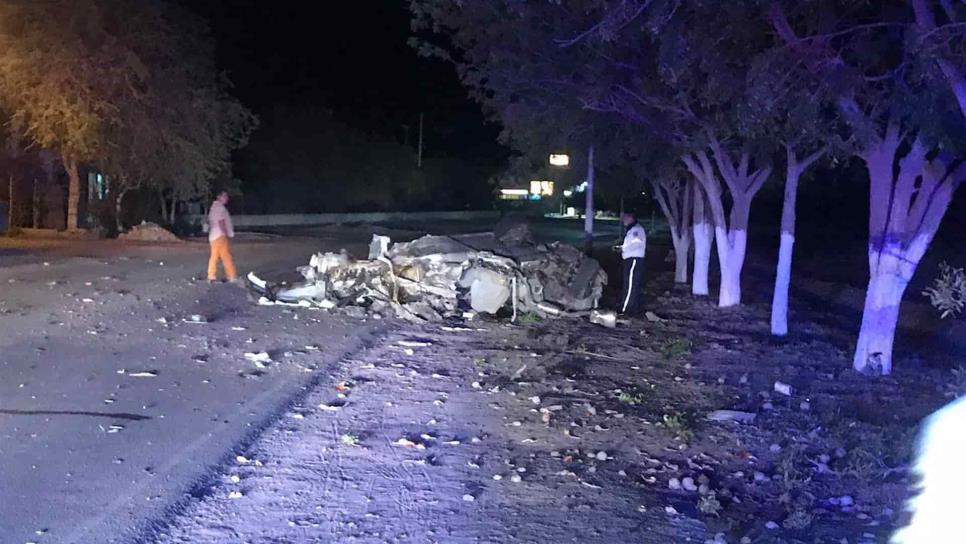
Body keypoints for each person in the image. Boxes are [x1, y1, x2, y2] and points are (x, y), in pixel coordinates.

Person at [618, 210, 646, 316]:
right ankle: (632, 308)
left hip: (634, 259)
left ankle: (626, 309)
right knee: (630, 284)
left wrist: (623, 248)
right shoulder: (632, 230)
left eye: (625, 218)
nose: (623, 221)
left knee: (630, 285)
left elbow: (636, 243)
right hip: (631, 259)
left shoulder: (636, 230)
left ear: (631, 218)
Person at [207, 191, 237, 283]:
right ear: (219, 197)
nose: (226, 198)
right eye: (224, 197)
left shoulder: (213, 208)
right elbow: (221, 222)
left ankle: (211, 276)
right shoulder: (220, 208)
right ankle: (231, 276)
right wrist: (225, 233)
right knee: (226, 256)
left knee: (214, 256)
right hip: (220, 235)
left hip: (213, 235)